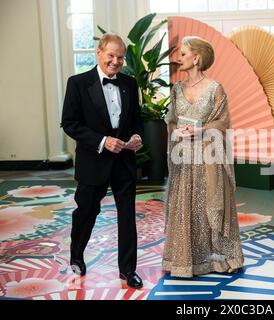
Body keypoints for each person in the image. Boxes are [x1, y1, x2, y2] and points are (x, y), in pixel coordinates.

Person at [61, 33, 144, 288]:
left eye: (120, 57)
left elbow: (136, 121)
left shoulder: (130, 84)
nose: (116, 61)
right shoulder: (77, 83)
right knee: (86, 212)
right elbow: (70, 123)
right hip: (92, 162)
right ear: (99, 52)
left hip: (124, 162)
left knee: (127, 216)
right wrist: (102, 141)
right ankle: (77, 255)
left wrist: (137, 136)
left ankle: (128, 270)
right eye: (111, 55)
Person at [163, 36, 244, 278]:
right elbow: (171, 121)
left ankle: (219, 260)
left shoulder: (215, 88)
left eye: (184, 54)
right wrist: (175, 130)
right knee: (186, 207)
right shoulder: (177, 89)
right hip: (183, 159)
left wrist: (200, 130)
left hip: (208, 157)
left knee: (209, 206)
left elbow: (223, 122)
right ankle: (187, 261)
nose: (179, 58)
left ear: (196, 58)